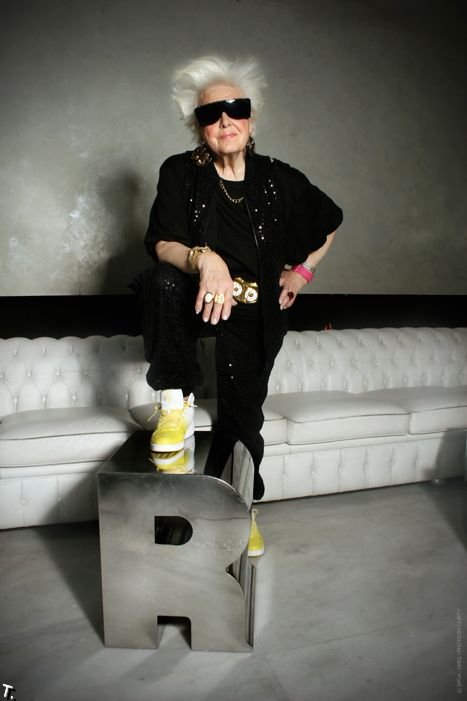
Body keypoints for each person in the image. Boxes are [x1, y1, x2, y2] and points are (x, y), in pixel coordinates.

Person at [132, 55, 343, 556]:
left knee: (242, 422)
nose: (225, 119)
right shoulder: (180, 172)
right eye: (211, 113)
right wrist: (205, 259)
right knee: (161, 281)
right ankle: (174, 402)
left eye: (236, 108)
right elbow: (161, 243)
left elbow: (330, 221)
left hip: (256, 313)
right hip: (195, 300)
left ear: (251, 118)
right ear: (198, 125)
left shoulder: (278, 178)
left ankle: (239, 510)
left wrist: (302, 271)